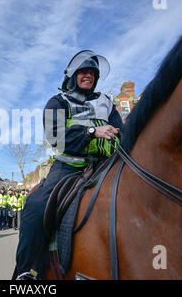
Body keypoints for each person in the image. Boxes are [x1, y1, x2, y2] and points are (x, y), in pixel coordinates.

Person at [12, 50, 123, 280]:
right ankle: (26, 271)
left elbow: (121, 131)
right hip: (67, 169)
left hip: (106, 167)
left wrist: (119, 133)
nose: (89, 76)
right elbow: (56, 137)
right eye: (84, 71)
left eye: (93, 73)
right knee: (35, 206)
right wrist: (93, 132)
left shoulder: (106, 102)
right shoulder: (58, 101)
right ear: (73, 76)